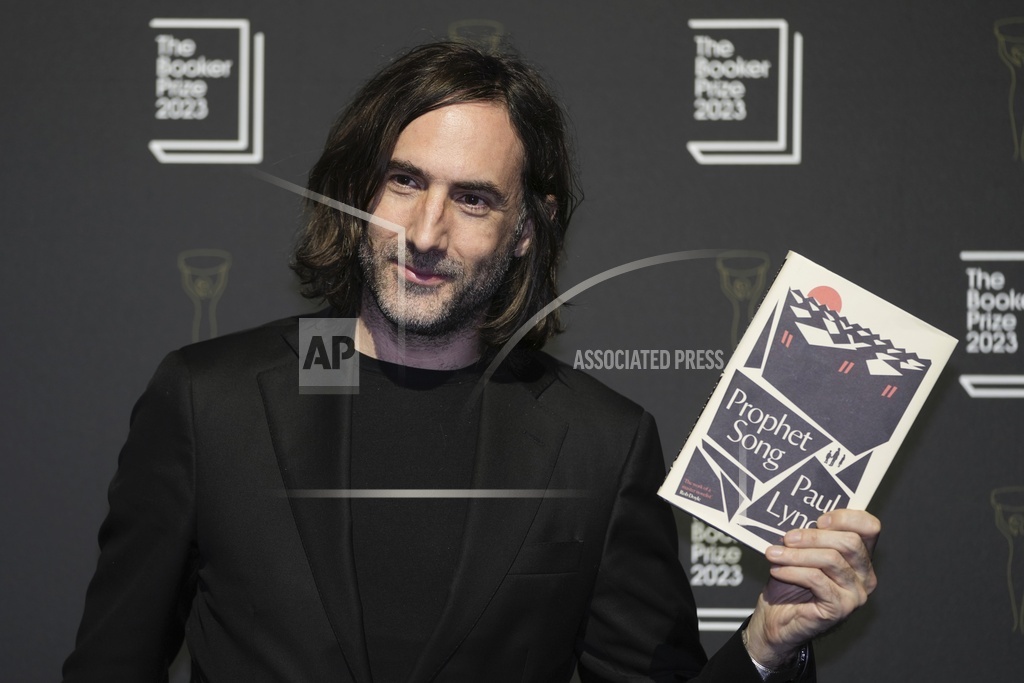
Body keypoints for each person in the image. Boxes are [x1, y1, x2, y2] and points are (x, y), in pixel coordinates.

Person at [63, 41, 879, 682]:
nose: (424, 231)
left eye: (473, 198)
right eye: (403, 181)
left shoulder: (597, 443)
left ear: (527, 226)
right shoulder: (211, 401)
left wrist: (769, 643)